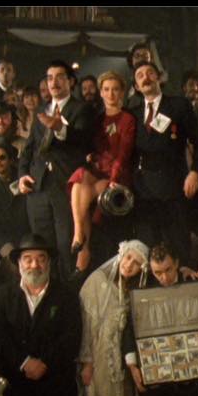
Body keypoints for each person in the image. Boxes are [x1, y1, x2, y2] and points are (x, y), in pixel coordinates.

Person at [0, 234, 86, 396]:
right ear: (19, 263)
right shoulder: (3, 295)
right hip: (17, 387)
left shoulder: (66, 295)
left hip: (55, 387)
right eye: (28, 259)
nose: (35, 265)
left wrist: (45, 363)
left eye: (41, 258)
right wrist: (24, 362)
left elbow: (71, 337)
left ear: (49, 262)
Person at [123, 242, 198, 396]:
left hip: (187, 376)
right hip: (155, 378)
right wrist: (133, 366)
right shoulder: (143, 290)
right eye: (157, 272)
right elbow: (130, 329)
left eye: (168, 270)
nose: (164, 277)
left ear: (177, 263)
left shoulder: (194, 284)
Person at [17, 60, 95, 280]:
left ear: (70, 81)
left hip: (66, 186)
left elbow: (83, 141)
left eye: (60, 77)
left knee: (67, 245)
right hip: (38, 187)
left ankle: (69, 291)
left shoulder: (82, 109)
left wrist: (60, 128)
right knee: (42, 247)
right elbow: (29, 148)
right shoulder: (41, 110)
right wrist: (22, 175)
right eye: (50, 78)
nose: (54, 82)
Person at [130, 60, 198, 266]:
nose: (145, 78)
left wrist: (195, 173)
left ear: (159, 78)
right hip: (144, 191)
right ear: (136, 86)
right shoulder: (133, 113)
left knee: (179, 245)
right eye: (140, 76)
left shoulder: (178, 105)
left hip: (174, 187)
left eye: (150, 73)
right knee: (148, 247)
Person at [79, 239, 149, 396]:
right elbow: (86, 324)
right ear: (121, 255)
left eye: (136, 263)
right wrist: (87, 361)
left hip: (123, 355)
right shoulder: (97, 282)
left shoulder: (134, 289)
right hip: (99, 353)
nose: (129, 265)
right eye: (128, 258)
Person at [68, 71, 136, 276]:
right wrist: (91, 156)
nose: (111, 94)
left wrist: (114, 178)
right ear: (101, 92)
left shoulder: (128, 119)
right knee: (80, 177)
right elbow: (91, 146)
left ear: (122, 92)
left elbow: (123, 154)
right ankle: (79, 234)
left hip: (118, 174)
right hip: (98, 169)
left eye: (115, 89)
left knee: (87, 190)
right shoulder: (97, 119)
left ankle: (83, 248)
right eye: (106, 89)